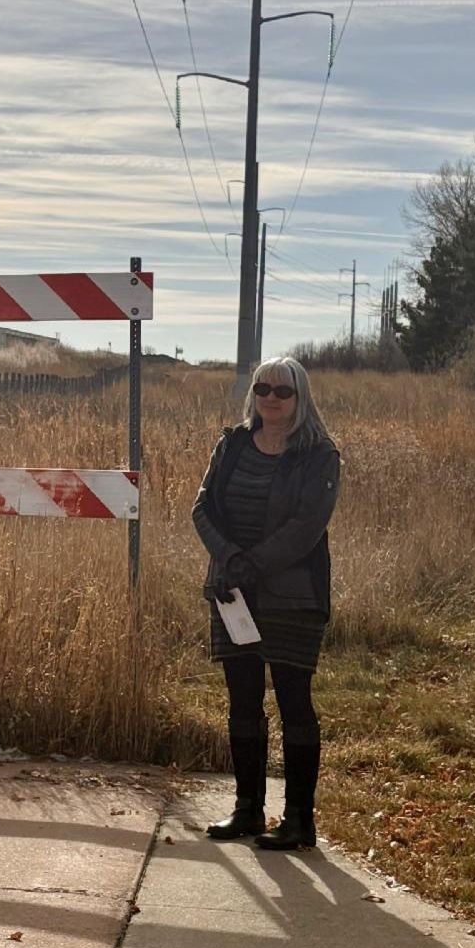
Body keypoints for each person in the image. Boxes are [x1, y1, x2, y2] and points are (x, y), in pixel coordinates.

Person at [192, 356, 340, 850]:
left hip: (292, 595)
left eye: (283, 390)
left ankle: (299, 821)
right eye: (263, 388)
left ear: (301, 398)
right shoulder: (232, 444)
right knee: (243, 701)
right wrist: (231, 559)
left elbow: (307, 525)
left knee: (294, 702)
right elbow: (203, 506)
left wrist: (253, 563)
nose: (272, 397)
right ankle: (247, 812)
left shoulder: (319, 453)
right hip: (233, 591)